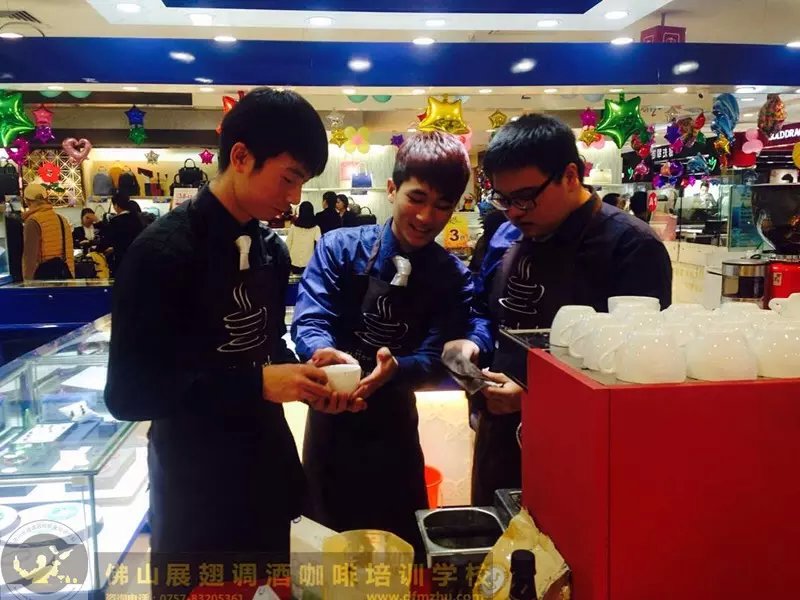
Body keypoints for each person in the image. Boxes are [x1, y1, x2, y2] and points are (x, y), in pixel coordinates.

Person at [104, 88, 363, 593]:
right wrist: (259, 384)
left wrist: (307, 373)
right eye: (289, 178)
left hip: (267, 465)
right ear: (241, 157)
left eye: (302, 183)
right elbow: (130, 395)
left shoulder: (269, 249)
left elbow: (265, 348)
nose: (295, 197)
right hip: (195, 480)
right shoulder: (161, 253)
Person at [444, 114, 673, 505]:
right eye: (504, 199)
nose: (514, 212)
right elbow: (485, 309)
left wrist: (538, 397)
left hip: (581, 449)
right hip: (499, 436)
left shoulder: (630, 246)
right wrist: (471, 343)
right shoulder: (505, 234)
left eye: (525, 197)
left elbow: (641, 373)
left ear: (570, 175)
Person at [292, 131, 474, 556]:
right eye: (417, 198)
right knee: (325, 554)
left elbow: (436, 354)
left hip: (395, 429)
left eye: (443, 205)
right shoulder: (340, 248)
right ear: (392, 188)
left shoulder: (451, 276)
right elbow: (312, 317)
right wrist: (325, 356)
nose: (426, 216)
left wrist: (397, 369)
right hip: (330, 419)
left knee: (398, 554)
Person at [21, 184, 74, 281]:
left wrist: (27, 282)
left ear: (26, 201)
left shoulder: (33, 222)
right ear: (46, 198)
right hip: (64, 275)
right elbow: (69, 253)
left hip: (43, 280)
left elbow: (30, 258)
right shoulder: (62, 219)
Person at [96, 192, 145, 275]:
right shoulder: (137, 219)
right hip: (137, 257)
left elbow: (108, 240)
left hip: (121, 259)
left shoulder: (115, 221)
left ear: (116, 205)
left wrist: (98, 249)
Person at [286, 200, 321, 274]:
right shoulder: (316, 228)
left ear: (300, 212)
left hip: (294, 260)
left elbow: (288, 244)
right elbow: (319, 245)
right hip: (308, 261)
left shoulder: (294, 227)